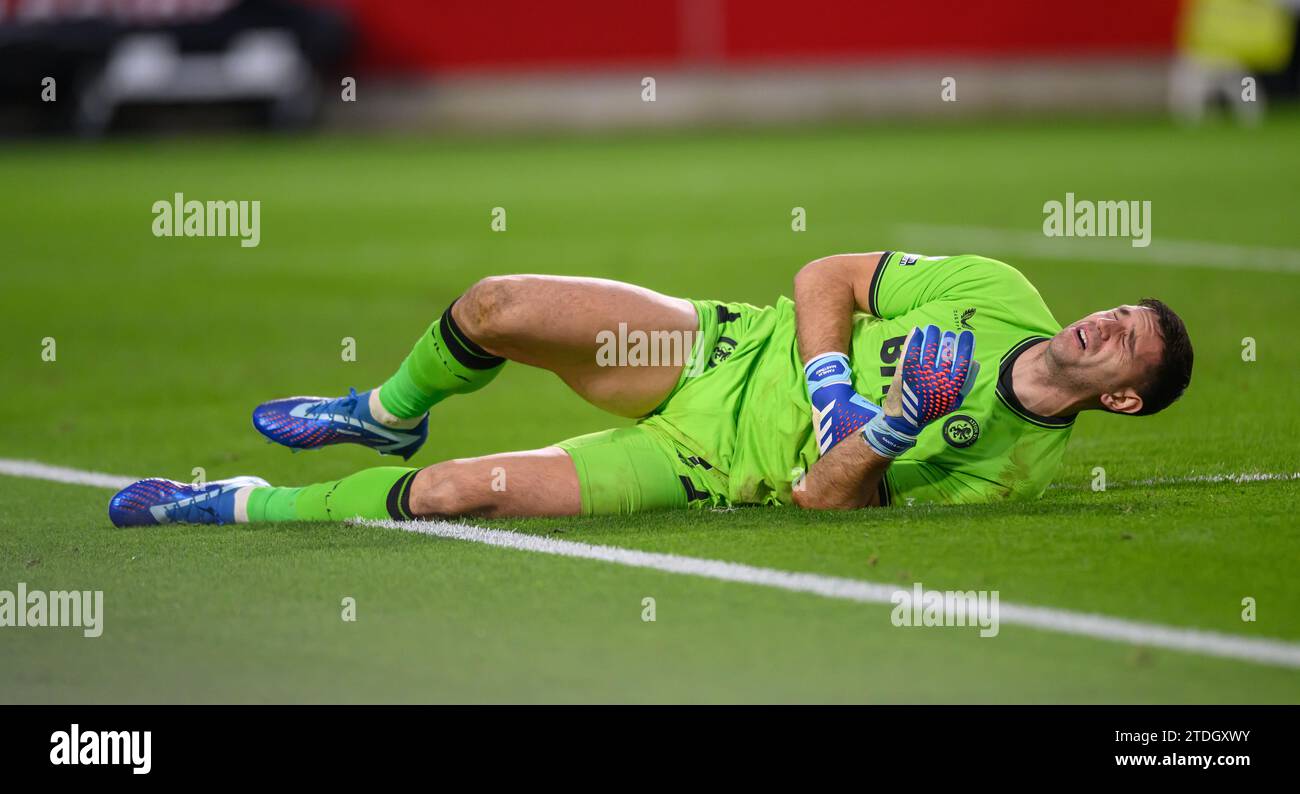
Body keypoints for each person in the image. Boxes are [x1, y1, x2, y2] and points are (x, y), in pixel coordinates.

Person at [107, 251, 1193, 526]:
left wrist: (895, 426)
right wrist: (828, 379)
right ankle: (385, 410)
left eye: (1126, 343)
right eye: (1120, 309)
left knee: (450, 498)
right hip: (718, 349)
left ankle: (229, 501)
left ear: (1124, 398)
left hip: (706, 465)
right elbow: (826, 276)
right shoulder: (997, 290)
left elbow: (827, 500)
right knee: (495, 305)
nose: (1105, 321)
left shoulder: (1011, 471)